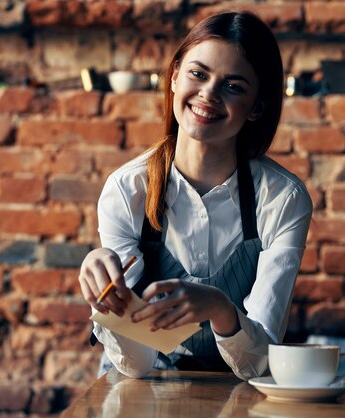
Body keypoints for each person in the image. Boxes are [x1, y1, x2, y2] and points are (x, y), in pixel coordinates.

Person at [79, 11, 312, 380]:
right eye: (197, 74)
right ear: (174, 78)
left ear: (257, 108)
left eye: (233, 86)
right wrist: (107, 301)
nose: (208, 94)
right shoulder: (127, 190)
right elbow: (137, 365)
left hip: (240, 388)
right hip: (142, 383)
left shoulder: (283, 199)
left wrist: (220, 309)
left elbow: (259, 360)